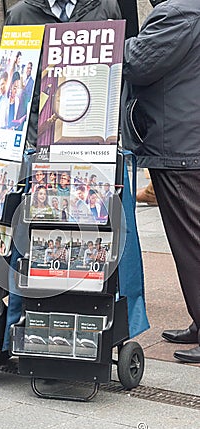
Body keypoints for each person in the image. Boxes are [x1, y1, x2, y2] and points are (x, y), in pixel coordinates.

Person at [0, 0, 122, 366]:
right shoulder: (22, 14)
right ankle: (15, 337)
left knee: (95, 240)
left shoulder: (105, 7)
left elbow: (117, 78)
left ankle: (91, 340)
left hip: (92, 151)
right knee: (28, 246)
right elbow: (12, 87)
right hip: (40, 151)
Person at [121, 0, 200, 363]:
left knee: (192, 244)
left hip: (180, 146)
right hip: (185, 142)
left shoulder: (177, 12)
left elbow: (137, 63)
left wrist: (115, 42)